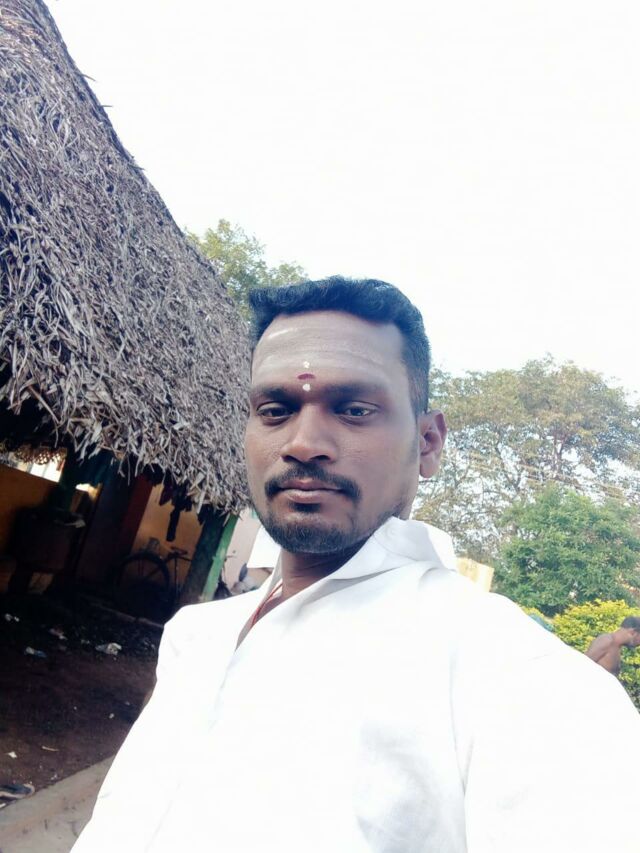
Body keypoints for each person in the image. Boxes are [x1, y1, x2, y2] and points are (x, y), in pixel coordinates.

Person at [73, 277, 640, 853]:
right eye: (275, 410)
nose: (303, 443)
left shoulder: (513, 674)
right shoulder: (197, 635)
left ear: (428, 443)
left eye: (354, 410)